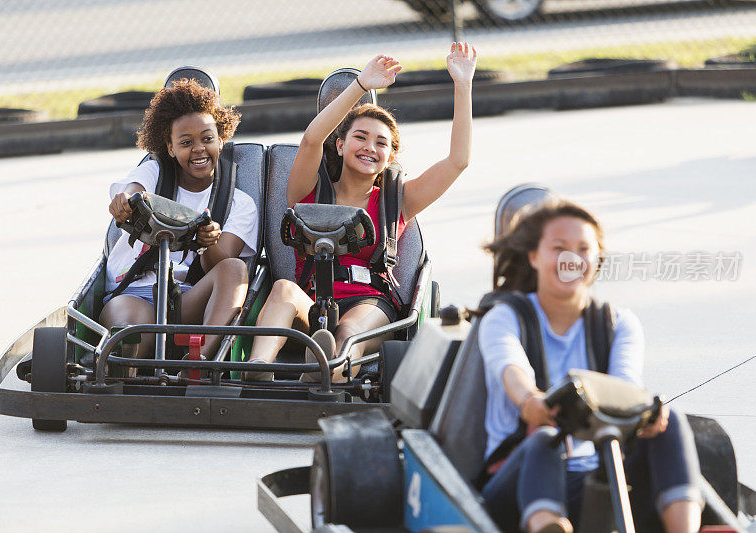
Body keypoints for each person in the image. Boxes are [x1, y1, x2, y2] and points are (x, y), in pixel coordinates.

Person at [245, 43, 478, 381]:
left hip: (369, 302)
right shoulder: (307, 192)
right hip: (312, 301)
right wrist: (361, 85)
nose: (370, 147)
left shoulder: (398, 201)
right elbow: (311, 139)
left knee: (347, 332)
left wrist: (463, 84)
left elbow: (459, 161)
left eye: (381, 143)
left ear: (389, 156)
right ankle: (258, 370)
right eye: (360, 137)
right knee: (282, 288)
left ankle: (325, 372)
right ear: (340, 144)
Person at [478, 200, 704, 533]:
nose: (571, 259)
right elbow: (511, 368)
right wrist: (531, 402)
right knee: (545, 439)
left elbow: (625, 388)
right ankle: (549, 527)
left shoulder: (619, 323)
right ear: (534, 256)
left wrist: (645, 415)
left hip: (599, 477)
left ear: (596, 260)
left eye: (583, 249)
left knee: (672, 422)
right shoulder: (505, 318)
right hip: (517, 483)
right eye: (559, 248)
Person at [102, 79, 259, 361]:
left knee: (235, 269)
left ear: (221, 140)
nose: (198, 148)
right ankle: (122, 366)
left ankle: (198, 362)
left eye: (207, 139)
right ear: (171, 148)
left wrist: (206, 242)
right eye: (186, 143)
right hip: (135, 292)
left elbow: (221, 264)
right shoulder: (155, 173)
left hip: (189, 299)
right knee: (130, 334)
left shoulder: (238, 202)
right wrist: (124, 203)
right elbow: (132, 190)